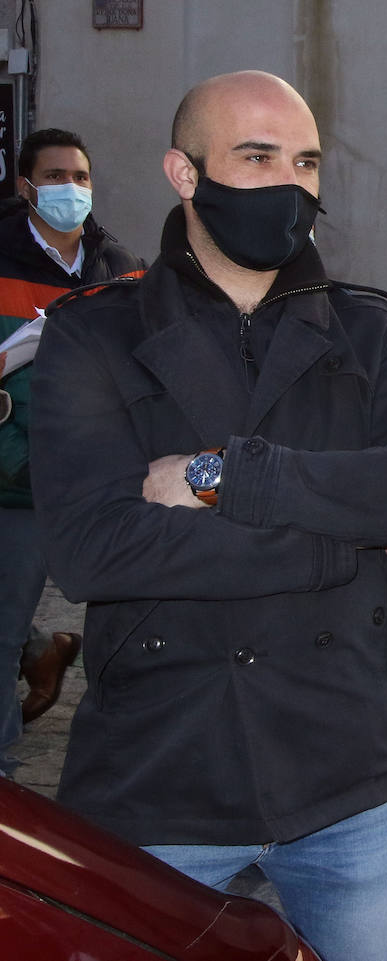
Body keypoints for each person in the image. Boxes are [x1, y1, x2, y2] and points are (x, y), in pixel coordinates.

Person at [27, 71, 387, 961]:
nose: (289, 184)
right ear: (185, 175)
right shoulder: (91, 334)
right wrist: (332, 544)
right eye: (257, 156)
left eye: (305, 161)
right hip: (162, 771)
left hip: (347, 770)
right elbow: (93, 549)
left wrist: (222, 476)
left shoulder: (369, 327)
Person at [0, 127, 144, 777]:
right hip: (17, 482)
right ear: (25, 186)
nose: (72, 189)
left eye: (81, 177)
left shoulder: (120, 267)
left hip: (101, 487)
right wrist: (16, 460)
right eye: (56, 176)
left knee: (136, 632)